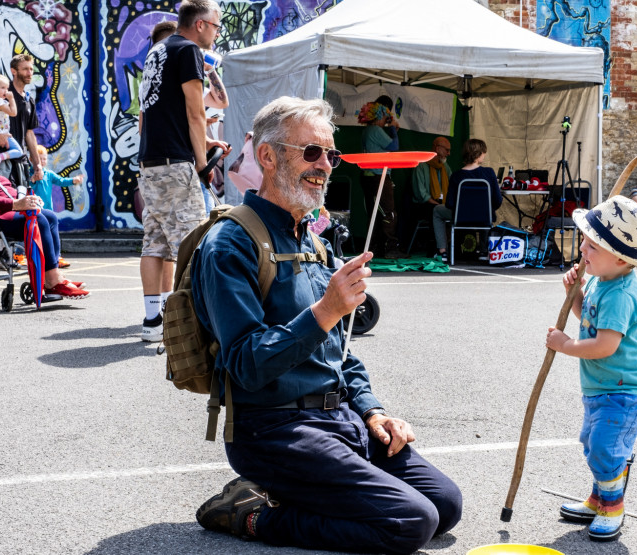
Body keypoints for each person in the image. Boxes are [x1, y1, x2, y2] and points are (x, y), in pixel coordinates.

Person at [190, 96, 462, 553]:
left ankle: (310, 492)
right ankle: (252, 513)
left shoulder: (314, 243)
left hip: (341, 419)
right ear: (268, 156)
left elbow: (342, 350)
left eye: (331, 155)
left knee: (445, 504)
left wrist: (373, 411)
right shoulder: (230, 244)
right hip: (274, 431)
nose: (325, 166)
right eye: (311, 152)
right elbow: (245, 365)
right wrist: (325, 311)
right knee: (410, 522)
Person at [544, 195, 637, 542]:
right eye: (584, 242)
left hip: (625, 389)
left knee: (605, 447)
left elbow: (605, 345)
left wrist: (565, 346)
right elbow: (591, 321)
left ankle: (613, 506)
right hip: (602, 385)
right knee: (594, 444)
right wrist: (574, 296)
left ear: (621, 259)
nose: (583, 250)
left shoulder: (620, 293)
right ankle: (599, 498)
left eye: (593, 246)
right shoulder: (598, 280)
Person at [136, 0, 230, 342]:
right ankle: (194, 325)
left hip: (150, 162)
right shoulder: (188, 51)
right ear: (201, 24)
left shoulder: (157, 52)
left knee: (155, 242)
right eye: (216, 26)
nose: (217, 34)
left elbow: (160, 114)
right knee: (194, 243)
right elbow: (195, 113)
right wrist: (204, 166)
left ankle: (153, 322)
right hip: (176, 164)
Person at [0, 112, 87, 298]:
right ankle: (52, 281)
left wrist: (28, 199)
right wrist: (14, 204)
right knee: (40, 221)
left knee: (49, 216)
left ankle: (52, 276)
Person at [358, 99, 406, 258]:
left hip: (368, 177)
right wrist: (393, 129)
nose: (386, 119)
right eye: (385, 116)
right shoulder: (376, 131)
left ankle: (375, 248)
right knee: (388, 213)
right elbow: (394, 147)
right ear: (379, 116)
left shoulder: (367, 131)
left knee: (374, 214)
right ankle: (390, 248)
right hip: (379, 176)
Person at [445, 138, 503, 259]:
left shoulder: (456, 176)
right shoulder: (489, 173)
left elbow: (449, 203)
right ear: (478, 154)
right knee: (485, 209)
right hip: (484, 218)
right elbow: (497, 200)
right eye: (483, 152)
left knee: (436, 212)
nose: (485, 155)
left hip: (461, 218)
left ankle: (442, 250)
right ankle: (483, 250)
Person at [0, 54, 44, 189]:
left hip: (21, 159)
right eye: (25, 69)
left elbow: (29, 134)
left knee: (22, 201)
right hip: (1, 159)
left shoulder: (29, 100)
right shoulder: (2, 93)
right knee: (5, 201)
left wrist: (37, 164)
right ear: (13, 71)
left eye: (31, 69)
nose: (29, 73)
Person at [411, 136, 453, 261]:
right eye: (447, 150)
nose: (449, 153)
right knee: (434, 211)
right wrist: (437, 205)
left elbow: (452, 185)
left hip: (440, 203)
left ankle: (448, 249)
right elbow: (421, 194)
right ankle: (436, 249)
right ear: (437, 148)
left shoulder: (445, 167)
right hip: (424, 204)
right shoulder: (421, 165)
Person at [30, 145, 83, 212]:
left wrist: (73, 180)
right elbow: (27, 187)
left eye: (44, 159)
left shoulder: (49, 174)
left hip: (48, 209)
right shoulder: (29, 174)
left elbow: (61, 181)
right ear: (31, 160)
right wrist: (33, 180)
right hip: (34, 209)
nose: (42, 161)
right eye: (40, 159)